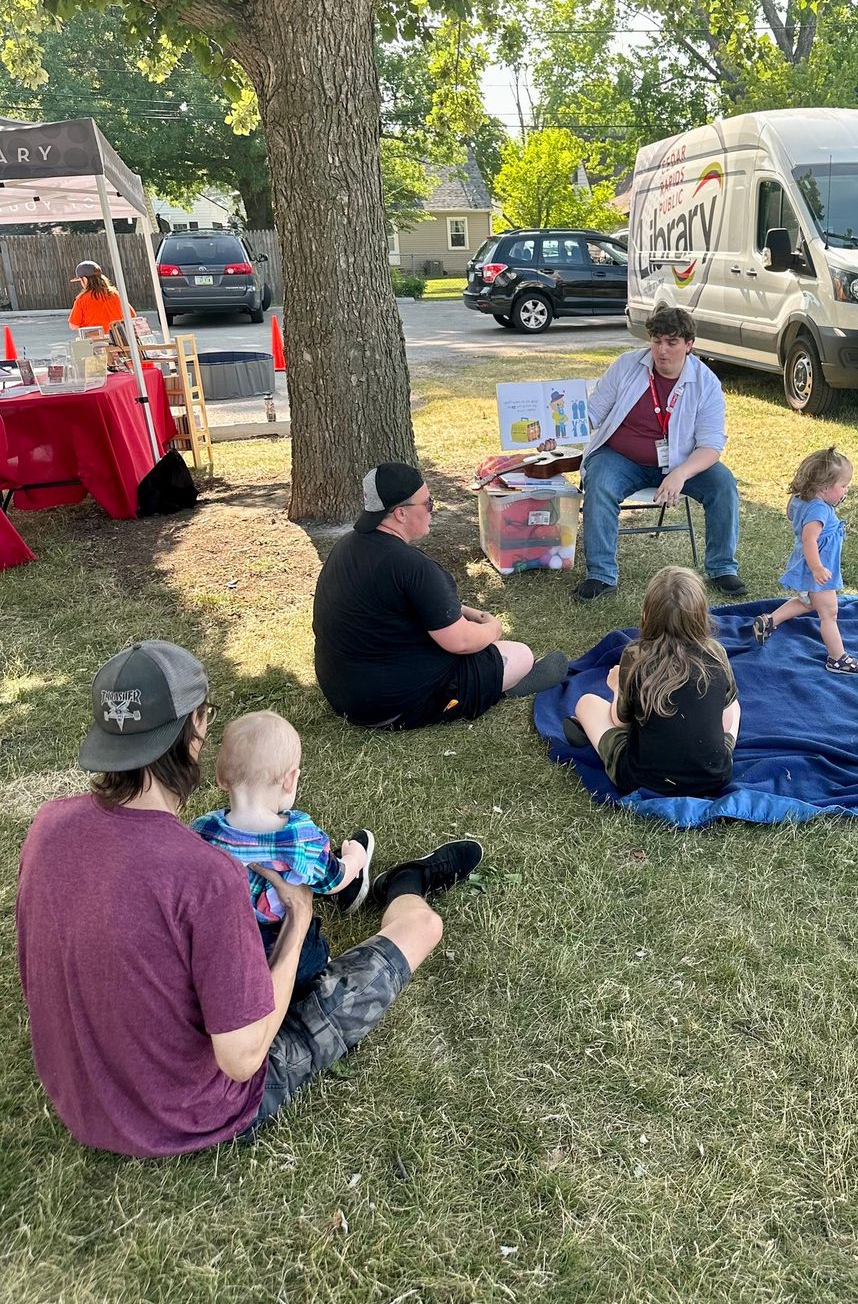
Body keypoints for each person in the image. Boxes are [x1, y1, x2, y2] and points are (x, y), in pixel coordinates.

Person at [15, 640, 482, 1157]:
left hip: (84, 1104)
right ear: (195, 730)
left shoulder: (48, 826)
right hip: (191, 1114)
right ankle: (406, 885)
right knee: (422, 930)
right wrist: (300, 916)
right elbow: (242, 1057)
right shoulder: (205, 874)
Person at [313, 461, 567, 730]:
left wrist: (465, 612)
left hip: (340, 692)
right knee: (520, 655)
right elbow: (461, 642)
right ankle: (492, 691)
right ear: (400, 513)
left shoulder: (345, 547)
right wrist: (492, 627)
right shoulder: (415, 567)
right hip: (395, 704)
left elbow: (404, 608)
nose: (433, 509)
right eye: (428, 503)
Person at [191, 710, 374, 996]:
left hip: (225, 948)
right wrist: (355, 858)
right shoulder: (299, 838)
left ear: (221, 776)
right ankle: (315, 972)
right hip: (283, 945)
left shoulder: (203, 830)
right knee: (309, 949)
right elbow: (333, 881)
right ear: (290, 780)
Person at [571, 302, 746, 601]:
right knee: (599, 482)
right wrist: (555, 433)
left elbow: (711, 446)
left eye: (672, 343)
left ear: (689, 345)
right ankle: (600, 575)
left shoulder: (706, 383)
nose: (662, 350)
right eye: (656, 341)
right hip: (620, 457)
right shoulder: (627, 366)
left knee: (723, 484)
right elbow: (591, 413)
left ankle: (722, 568)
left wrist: (681, 473)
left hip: (682, 462)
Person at [562, 565, 741, 797]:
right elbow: (725, 722)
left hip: (642, 778)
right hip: (714, 776)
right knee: (734, 705)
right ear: (701, 616)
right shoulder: (715, 653)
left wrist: (617, 685)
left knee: (587, 703)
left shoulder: (637, 655)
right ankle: (716, 748)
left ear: (647, 614)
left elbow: (619, 721)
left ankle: (594, 733)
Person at [753, 446, 858, 675]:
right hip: (818, 568)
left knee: (809, 603)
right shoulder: (820, 511)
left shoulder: (800, 500)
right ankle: (838, 659)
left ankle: (770, 621)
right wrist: (817, 568)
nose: (846, 490)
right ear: (825, 488)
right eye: (843, 486)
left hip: (808, 565)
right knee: (829, 613)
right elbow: (809, 540)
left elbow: (791, 515)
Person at [67, 260, 125, 334]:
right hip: (117, 339)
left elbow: (73, 325)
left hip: (95, 341)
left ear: (85, 279)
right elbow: (132, 315)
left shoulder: (82, 299)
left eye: (81, 280)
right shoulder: (115, 294)